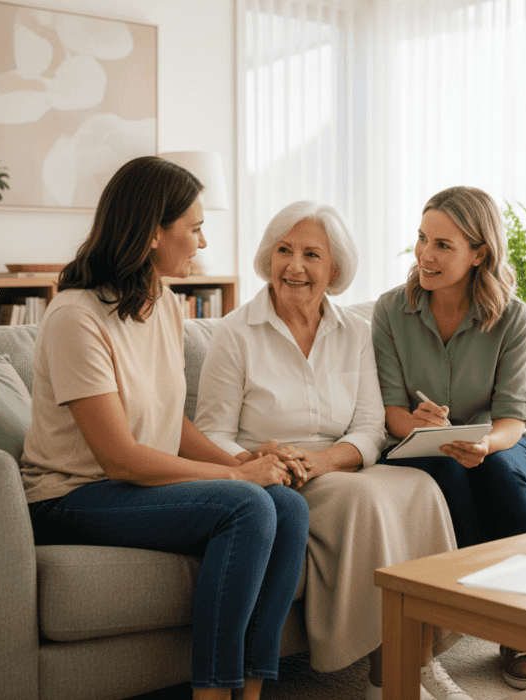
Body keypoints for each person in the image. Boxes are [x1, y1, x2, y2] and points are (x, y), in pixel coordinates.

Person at [20, 156, 310, 700]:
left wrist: (243, 463)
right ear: (154, 232)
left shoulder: (164, 305)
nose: (203, 243)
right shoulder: (75, 317)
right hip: (70, 497)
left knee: (288, 503)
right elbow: (121, 458)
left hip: (128, 487)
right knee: (248, 504)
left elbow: (165, 421)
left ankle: (250, 691)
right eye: (195, 228)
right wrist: (241, 483)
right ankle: (211, 694)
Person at [194, 200, 469, 700]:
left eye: (310, 255)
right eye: (283, 250)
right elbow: (211, 433)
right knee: (363, 501)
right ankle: (386, 675)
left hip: (334, 462)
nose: (294, 266)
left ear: (335, 269)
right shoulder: (235, 332)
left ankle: (419, 660)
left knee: (422, 487)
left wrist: (324, 461)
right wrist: (260, 463)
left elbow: (370, 427)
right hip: (271, 470)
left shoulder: (356, 332)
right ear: (268, 258)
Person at [372, 185, 526, 691]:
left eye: (443, 244)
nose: (425, 254)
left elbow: (512, 419)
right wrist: (419, 426)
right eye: (422, 238)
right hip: (422, 446)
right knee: (447, 469)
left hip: (498, 443)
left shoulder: (511, 316)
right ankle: (513, 630)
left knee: (496, 471)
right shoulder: (391, 310)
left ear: (479, 252)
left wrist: (483, 444)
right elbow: (391, 414)